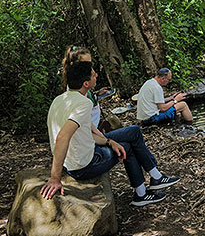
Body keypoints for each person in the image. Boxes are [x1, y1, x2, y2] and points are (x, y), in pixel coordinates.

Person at [41, 61, 179, 206]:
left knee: (134, 131)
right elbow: (63, 137)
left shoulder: (60, 99)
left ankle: (154, 178)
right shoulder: (83, 103)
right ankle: (142, 193)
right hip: (84, 165)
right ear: (86, 83)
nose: (97, 76)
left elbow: (86, 132)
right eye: (94, 75)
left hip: (82, 151)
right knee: (127, 147)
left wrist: (109, 142)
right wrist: (55, 178)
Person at [61, 46, 110, 128]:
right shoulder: (75, 89)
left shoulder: (85, 80)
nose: (88, 68)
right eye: (84, 64)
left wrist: (97, 95)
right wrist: (106, 140)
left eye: (89, 64)